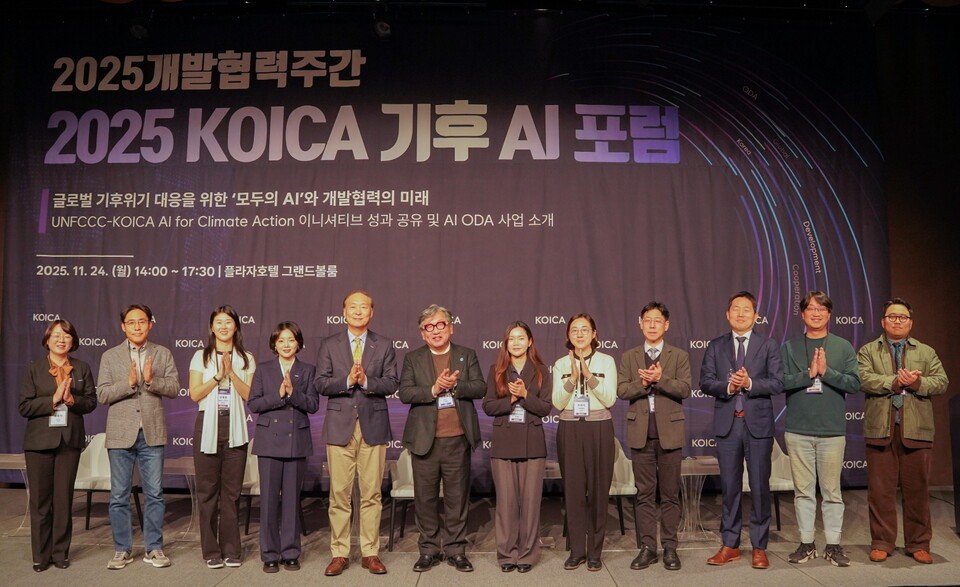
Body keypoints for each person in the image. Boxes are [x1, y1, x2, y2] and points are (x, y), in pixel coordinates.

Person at [858, 298, 948, 564]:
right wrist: (895, 382)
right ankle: (882, 542)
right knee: (880, 490)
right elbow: (864, 379)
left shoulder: (926, 351)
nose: (897, 321)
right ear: (883, 321)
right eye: (892, 317)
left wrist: (918, 382)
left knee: (917, 490)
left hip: (917, 428)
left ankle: (918, 543)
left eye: (903, 317)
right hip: (880, 428)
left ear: (911, 322)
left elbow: (941, 381)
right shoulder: (868, 350)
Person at [316, 291, 398, 576]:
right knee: (339, 493)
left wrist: (366, 381)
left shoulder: (384, 345)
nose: (359, 311)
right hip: (340, 428)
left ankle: (370, 552)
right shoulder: (329, 344)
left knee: (371, 493)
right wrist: (347, 380)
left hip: (373, 427)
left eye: (364, 307)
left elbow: (391, 383)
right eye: (353, 306)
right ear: (344, 312)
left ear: (372, 312)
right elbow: (320, 383)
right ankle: (339, 552)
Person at [399, 304, 486, 573]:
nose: (435, 331)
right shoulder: (413, 358)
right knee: (424, 499)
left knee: (456, 498)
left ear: (451, 328)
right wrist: (434, 389)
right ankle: (428, 550)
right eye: (429, 327)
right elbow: (405, 393)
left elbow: (480, 387)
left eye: (440, 325)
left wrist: (456, 386)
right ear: (422, 334)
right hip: (425, 440)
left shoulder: (466, 355)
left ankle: (456, 549)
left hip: (457, 439)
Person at [700, 291, 783, 570]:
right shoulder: (715, 346)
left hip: (757, 425)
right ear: (727, 314)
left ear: (755, 315)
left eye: (746, 309)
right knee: (730, 488)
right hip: (728, 424)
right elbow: (705, 382)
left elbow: (776, 383)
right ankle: (730, 545)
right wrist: (728, 387)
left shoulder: (768, 345)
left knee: (760, 487)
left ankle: (759, 546)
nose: (740, 314)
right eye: (735, 309)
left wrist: (748, 383)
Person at [96, 304, 180, 570]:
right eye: (131, 322)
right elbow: (103, 395)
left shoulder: (162, 353)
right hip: (121, 435)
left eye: (142, 321)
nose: (137, 326)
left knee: (154, 494)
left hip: (152, 433)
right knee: (119, 495)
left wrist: (151, 380)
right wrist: (130, 383)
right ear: (123, 326)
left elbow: (175, 388)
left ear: (150, 324)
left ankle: (154, 548)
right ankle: (122, 549)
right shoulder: (110, 356)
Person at [781, 292, 860, 567]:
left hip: (832, 431)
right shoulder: (789, 346)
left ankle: (834, 546)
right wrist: (808, 374)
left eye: (821, 309)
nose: (816, 313)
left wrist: (827, 373)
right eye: (810, 308)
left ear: (829, 314)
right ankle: (806, 544)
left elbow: (854, 383)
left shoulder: (843, 346)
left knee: (831, 492)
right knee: (803, 491)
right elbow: (780, 381)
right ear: (802, 314)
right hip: (798, 429)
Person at [617, 302, 691, 572]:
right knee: (644, 494)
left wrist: (660, 380)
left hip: (669, 433)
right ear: (640, 323)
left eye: (657, 320)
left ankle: (670, 547)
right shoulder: (629, 356)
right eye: (647, 320)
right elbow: (622, 391)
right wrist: (644, 383)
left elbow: (684, 389)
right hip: (641, 434)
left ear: (666, 325)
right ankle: (648, 547)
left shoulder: (678, 355)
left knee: (670, 495)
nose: (652, 325)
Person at [18, 320, 97, 572]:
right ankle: (40, 555)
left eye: (66, 336)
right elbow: (24, 406)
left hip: (69, 441)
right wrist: (51, 400)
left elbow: (91, 402)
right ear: (47, 340)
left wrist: (72, 400)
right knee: (41, 502)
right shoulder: (34, 369)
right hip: (39, 442)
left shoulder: (81, 368)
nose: (61, 340)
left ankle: (60, 552)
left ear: (73, 341)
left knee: (63, 499)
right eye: (56, 335)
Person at [247, 322, 319, 573]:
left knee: (291, 500)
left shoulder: (308, 370)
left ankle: (290, 552)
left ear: (298, 342)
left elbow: (313, 404)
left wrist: (293, 393)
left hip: (296, 442)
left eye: (291, 340)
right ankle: (269, 553)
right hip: (268, 443)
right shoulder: (264, 369)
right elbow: (253, 404)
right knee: (268, 501)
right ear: (274, 345)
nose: (286, 344)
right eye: (281, 340)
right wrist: (278, 395)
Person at [481, 321, 553, 573]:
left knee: (531, 503)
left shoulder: (542, 370)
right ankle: (507, 554)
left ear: (530, 341)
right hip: (503, 445)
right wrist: (510, 398)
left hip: (533, 444)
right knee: (506, 503)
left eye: (521, 338)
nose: (516, 342)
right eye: (511, 338)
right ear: (505, 343)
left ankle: (527, 555)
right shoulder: (497, 370)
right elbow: (488, 406)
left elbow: (545, 408)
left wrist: (525, 395)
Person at [188, 305, 256, 569]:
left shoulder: (246, 357)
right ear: (211, 327)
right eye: (219, 322)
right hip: (207, 424)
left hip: (236, 426)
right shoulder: (200, 357)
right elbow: (195, 394)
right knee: (207, 492)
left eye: (229, 322)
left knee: (231, 493)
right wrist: (218, 375)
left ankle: (231, 550)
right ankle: (211, 551)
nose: (224, 326)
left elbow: (249, 394)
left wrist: (232, 374)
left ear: (236, 326)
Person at [552, 313, 618, 572]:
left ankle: (595, 552)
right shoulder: (559, 364)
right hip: (569, 428)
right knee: (574, 491)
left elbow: (609, 398)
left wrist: (589, 375)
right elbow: (557, 402)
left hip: (599, 428)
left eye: (584, 329)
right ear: (568, 335)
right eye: (574, 330)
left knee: (599, 491)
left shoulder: (607, 361)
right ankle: (577, 550)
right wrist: (571, 377)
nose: (579, 334)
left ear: (594, 334)